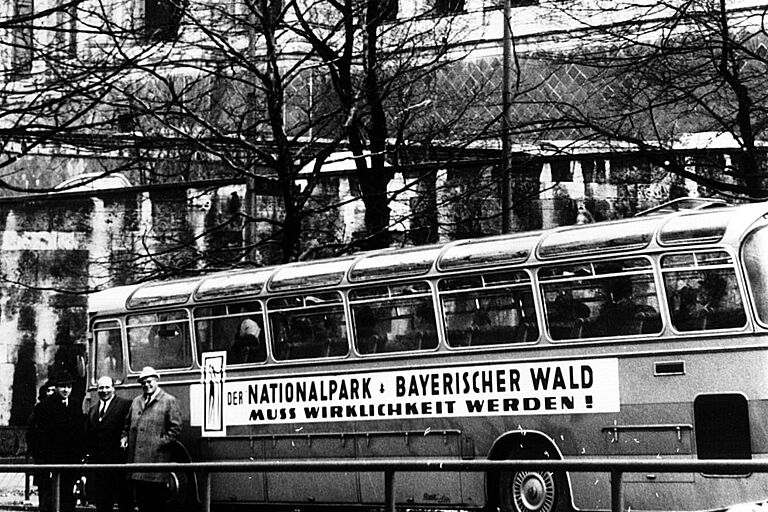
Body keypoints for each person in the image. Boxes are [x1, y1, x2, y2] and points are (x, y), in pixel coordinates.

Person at [121, 366, 182, 512]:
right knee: (141, 501)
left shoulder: (168, 401)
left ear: (156, 381)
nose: (146, 385)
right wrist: (124, 437)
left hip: (156, 462)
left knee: (156, 502)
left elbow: (176, 429)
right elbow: (126, 424)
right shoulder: (136, 401)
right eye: (143, 383)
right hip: (137, 462)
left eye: (149, 382)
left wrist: (159, 442)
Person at [30, 371, 84, 512]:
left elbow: (79, 435)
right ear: (57, 387)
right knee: (49, 500)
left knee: (68, 500)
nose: (66, 390)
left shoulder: (75, 405)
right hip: (49, 463)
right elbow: (36, 438)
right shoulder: (44, 407)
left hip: (69, 463)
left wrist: (78, 462)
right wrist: (42, 462)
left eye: (68, 386)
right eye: (62, 387)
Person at [85, 376, 132, 512]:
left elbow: (129, 428)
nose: (104, 391)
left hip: (119, 466)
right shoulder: (93, 410)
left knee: (124, 502)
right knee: (103, 503)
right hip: (100, 468)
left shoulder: (125, 405)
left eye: (107, 387)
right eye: (101, 388)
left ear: (113, 388)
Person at [25, 381, 55, 512]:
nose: (51, 394)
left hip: (55, 458)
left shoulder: (60, 408)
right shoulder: (38, 411)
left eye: (54, 390)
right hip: (43, 459)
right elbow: (31, 435)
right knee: (45, 493)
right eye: (49, 391)